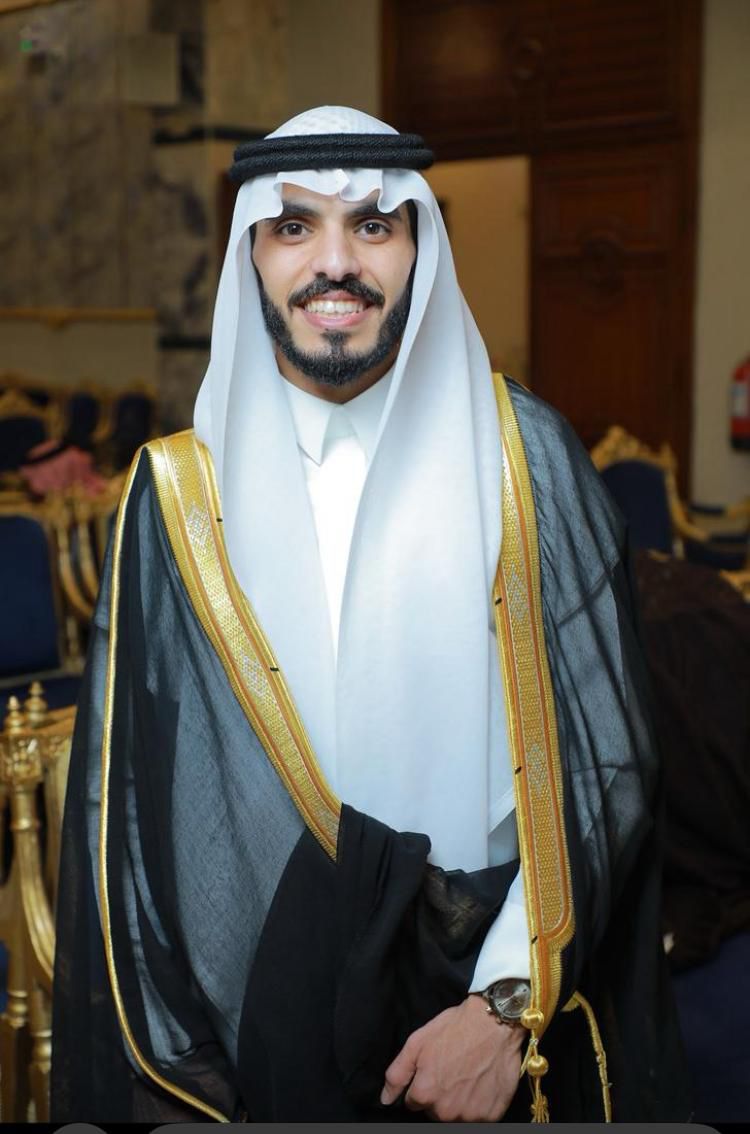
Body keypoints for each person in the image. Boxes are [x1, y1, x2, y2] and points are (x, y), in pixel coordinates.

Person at [51, 106, 689, 1123]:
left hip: (491, 1015)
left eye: (374, 226)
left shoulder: (525, 460)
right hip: (264, 1024)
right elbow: (129, 817)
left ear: (418, 249)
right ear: (252, 256)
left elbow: (607, 761)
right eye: (293, 227)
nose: (335, 264)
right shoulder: (174, 500)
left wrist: (504, 1006)